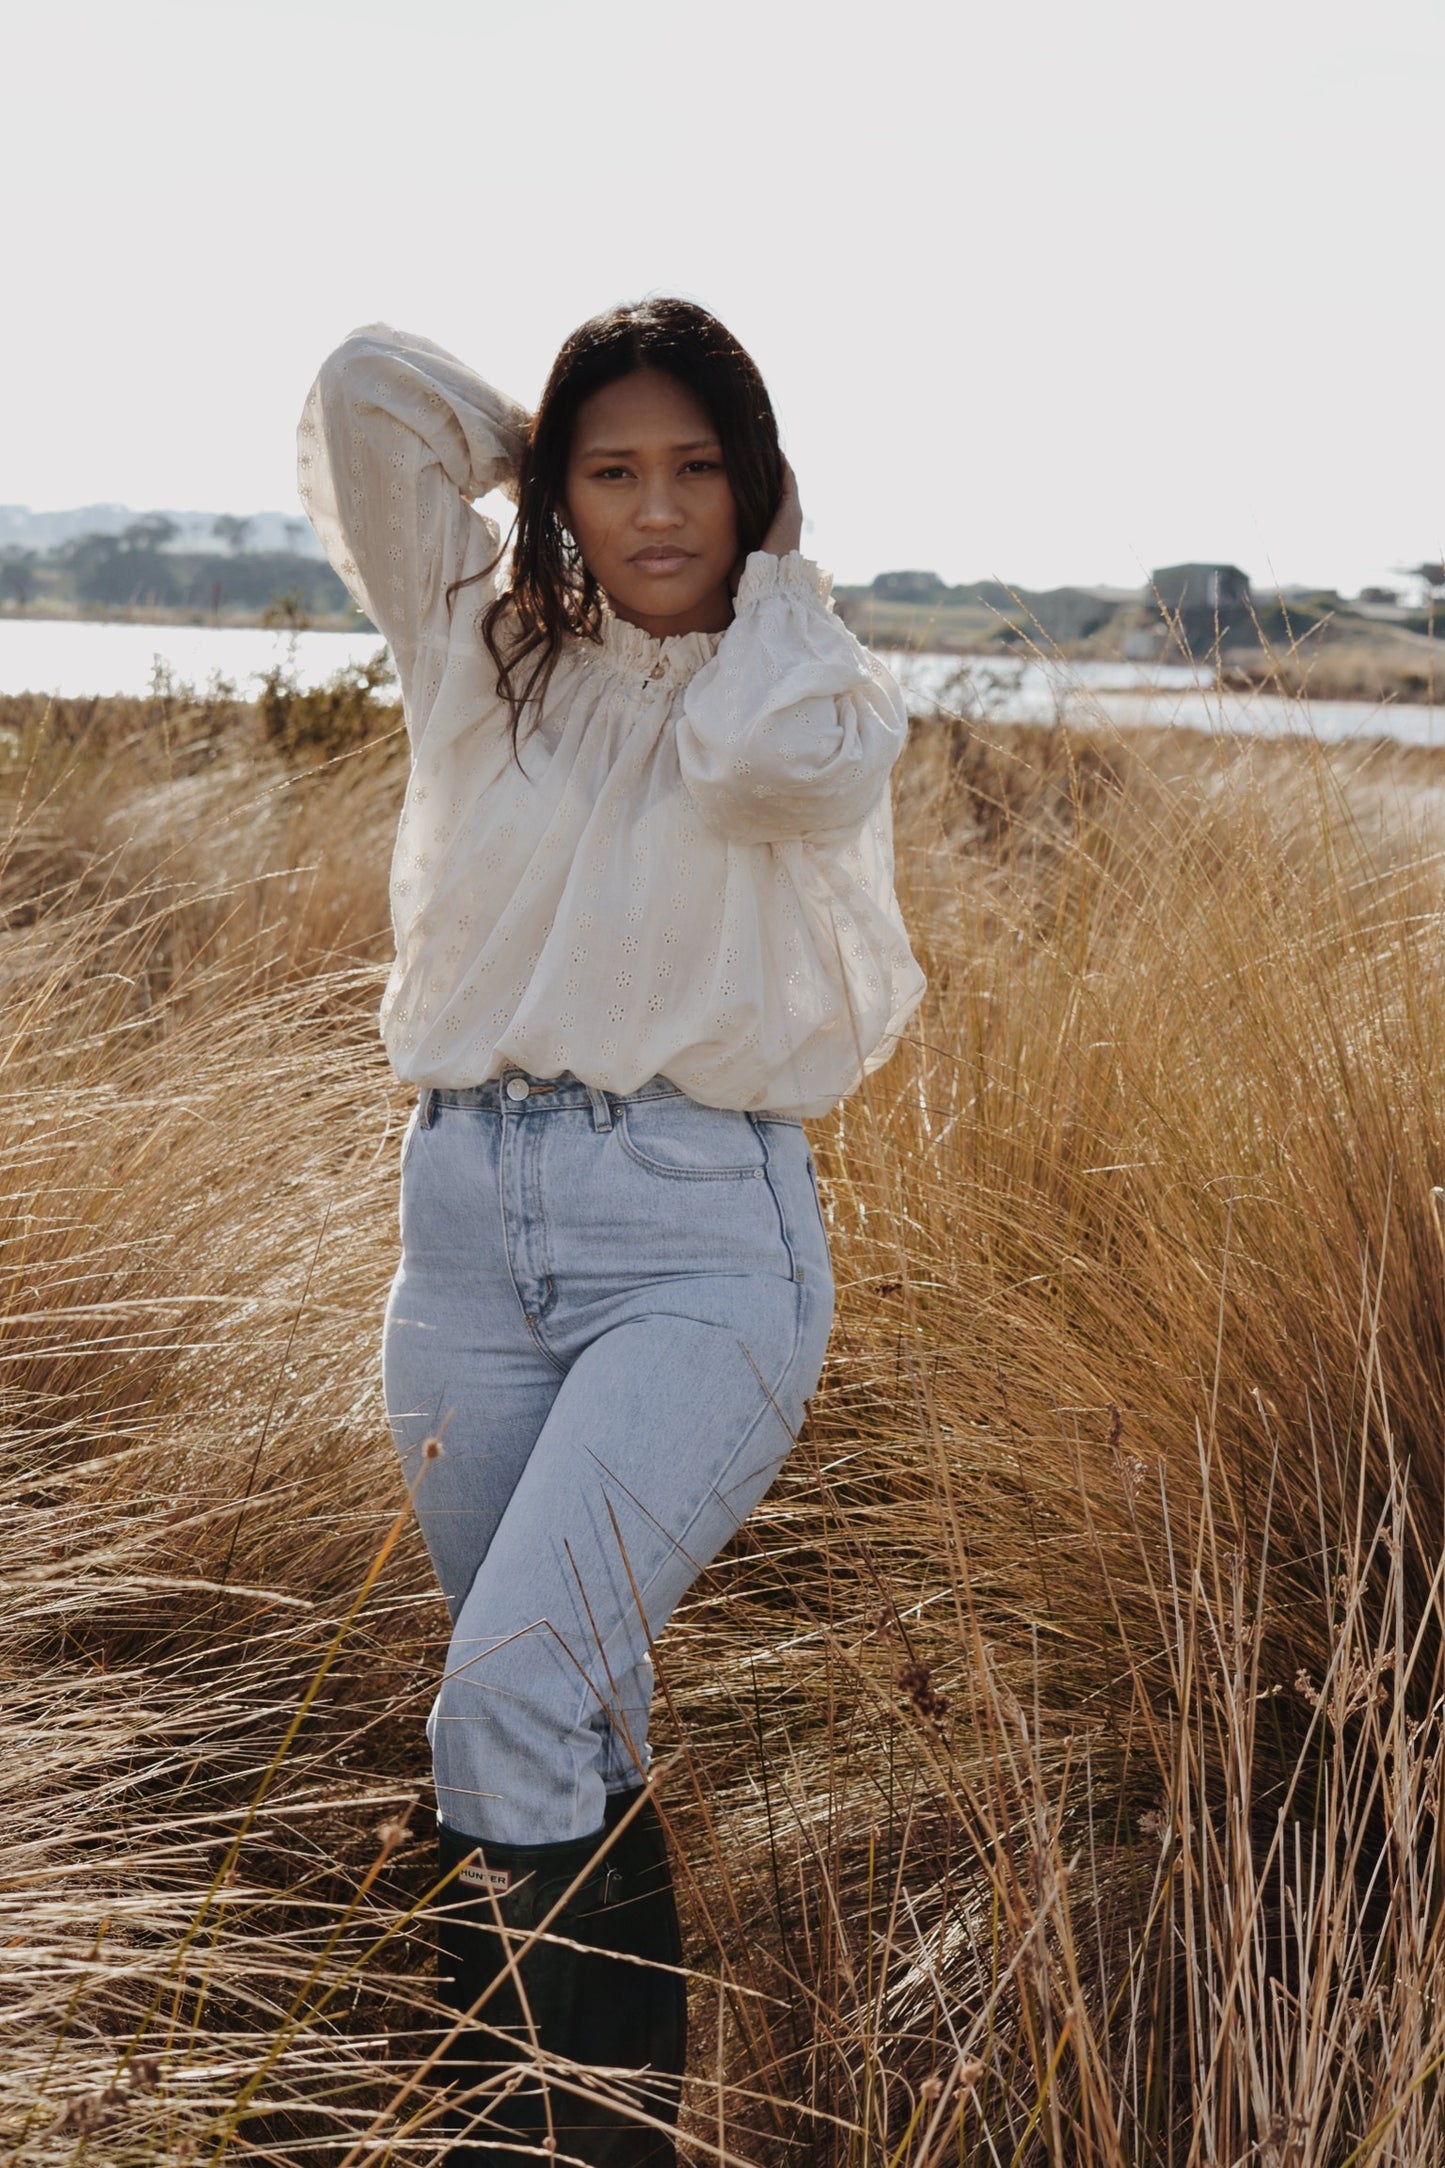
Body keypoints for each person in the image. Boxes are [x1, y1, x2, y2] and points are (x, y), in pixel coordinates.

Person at [298, 298, 925, 2163]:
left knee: (500, 1707)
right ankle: (571, 2125)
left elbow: (755, 774)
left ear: (758, 486)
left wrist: (778, 572)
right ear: (561, 489)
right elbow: (363, 393)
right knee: (561, 1726)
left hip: (697, 1244)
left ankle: (545, 2145)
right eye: (614, 472)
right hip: (466, 1237)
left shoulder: (808, 691)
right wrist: (538, 434)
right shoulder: (481, 656)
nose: (658, 510)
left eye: (696, 469)